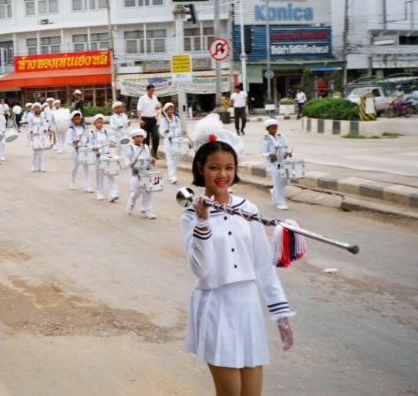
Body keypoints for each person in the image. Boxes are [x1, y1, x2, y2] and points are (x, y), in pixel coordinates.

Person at [182, 116, 293, 395]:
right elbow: (200, 269)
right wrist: (203, 222)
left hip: (247, 305)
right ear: (200, 168)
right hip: (215, 304)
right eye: (214, 168)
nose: (222, 175)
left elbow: (263, 265)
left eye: (229, 168)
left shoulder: (249, 208)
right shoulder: (190, 215)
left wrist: (280, 312)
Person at [261, 118, 291, 211]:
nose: (275, 130)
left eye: (276, 128)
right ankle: (280, 203)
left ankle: (274, 191)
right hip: (274, 163)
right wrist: (270, 154)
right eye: (272, 128)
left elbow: (285, 148)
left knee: (286, 181)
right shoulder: (266, 139)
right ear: (268, 129)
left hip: (283, 162)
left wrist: (287, 153)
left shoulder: (282, 137)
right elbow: (263, 152)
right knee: (278, 182)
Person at [125, 128, 156, 219]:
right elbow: (127, 159)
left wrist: (152, 160)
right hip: (135, 173)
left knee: (148, 191)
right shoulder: (130, 148)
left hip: (146, 173)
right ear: (133, 138)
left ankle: (146, 210)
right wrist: (130, 163)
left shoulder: (145, 147)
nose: (139, 138)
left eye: (141, 137)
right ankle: (131, 203)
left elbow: (148, 159)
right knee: (136, 192)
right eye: (137, 137)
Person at [88, 113, 118, 203]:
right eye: (98, 122)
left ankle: (113, 193)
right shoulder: (92, 134)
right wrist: (94, 148)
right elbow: (89, 145)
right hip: (98, 157)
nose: (101, 124)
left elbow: (110, 141)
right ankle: (100, 193)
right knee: (100, 175)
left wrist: (112, 143)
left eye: (102, 122)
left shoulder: (106, 132)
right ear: (94, 123)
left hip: (107, 156)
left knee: (111, 174)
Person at [159, 102, 185, 185]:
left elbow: (179, 130)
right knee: (170, 159)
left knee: (176, 159)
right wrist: (165, 131)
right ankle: (173, 177)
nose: (170, 111)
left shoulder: (177, 119)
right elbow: (161, 131)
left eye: (172, 109)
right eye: (169, 109)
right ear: (165, 111)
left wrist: (182, 132)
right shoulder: (163, 120)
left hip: (176, 141)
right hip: (168, 141)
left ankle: (172, 175)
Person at [66, 110, 92, 192]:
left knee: (86, 168)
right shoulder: (71, 129)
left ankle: (86, 186)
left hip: (84, 149)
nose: (78, 120)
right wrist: (74, 142)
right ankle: (73, 182)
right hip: (75, 150)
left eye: (79, 119)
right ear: (72, 120)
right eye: (76, 119)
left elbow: (88, 138)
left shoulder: (85, 128)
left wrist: (89, 146)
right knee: (75, 167)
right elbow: (69, 141)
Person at [137, 84, 160, 164]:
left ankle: (154, 152)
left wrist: (157, 115)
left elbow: (157, 108)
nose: (152, 92)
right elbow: (139, 110)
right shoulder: (142, 98)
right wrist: (140, 119)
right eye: (151, 91)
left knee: (156, 136)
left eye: (153, 91)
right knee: (145, 139)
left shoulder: (155, 98)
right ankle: (145, 154)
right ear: (147, 90)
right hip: (145, 120)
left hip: (153, 120)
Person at [28, 103, 50, 172]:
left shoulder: (42, 117)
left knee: (41, 152)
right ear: (33, 109)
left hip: (41, 135)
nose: (37, 109)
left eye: (38, 108)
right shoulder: (31, 117)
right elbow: (29, 127)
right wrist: (31, 131)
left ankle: (41, 166)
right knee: (34, 152)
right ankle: (33, 166)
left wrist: (45, 129)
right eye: (35, 108)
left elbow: (45, 125)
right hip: (34, 135)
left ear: (40, 109)